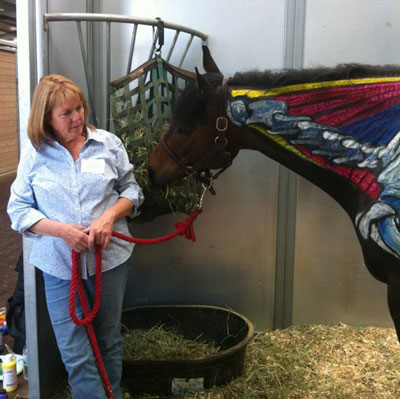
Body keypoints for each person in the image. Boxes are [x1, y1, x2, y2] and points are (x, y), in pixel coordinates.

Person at [7, 74, 144, 399]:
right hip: (58, 265)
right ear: (47, 118)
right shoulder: (35, 154)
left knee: (107, 338)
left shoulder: (108, 143)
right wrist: (62, 231)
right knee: (73, 347)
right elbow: (18, 209)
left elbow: (133, 190)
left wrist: (110, 217)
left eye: (79, 108)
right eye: (65, 113)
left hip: (109, 260)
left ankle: (112, 392)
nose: (77, 118)